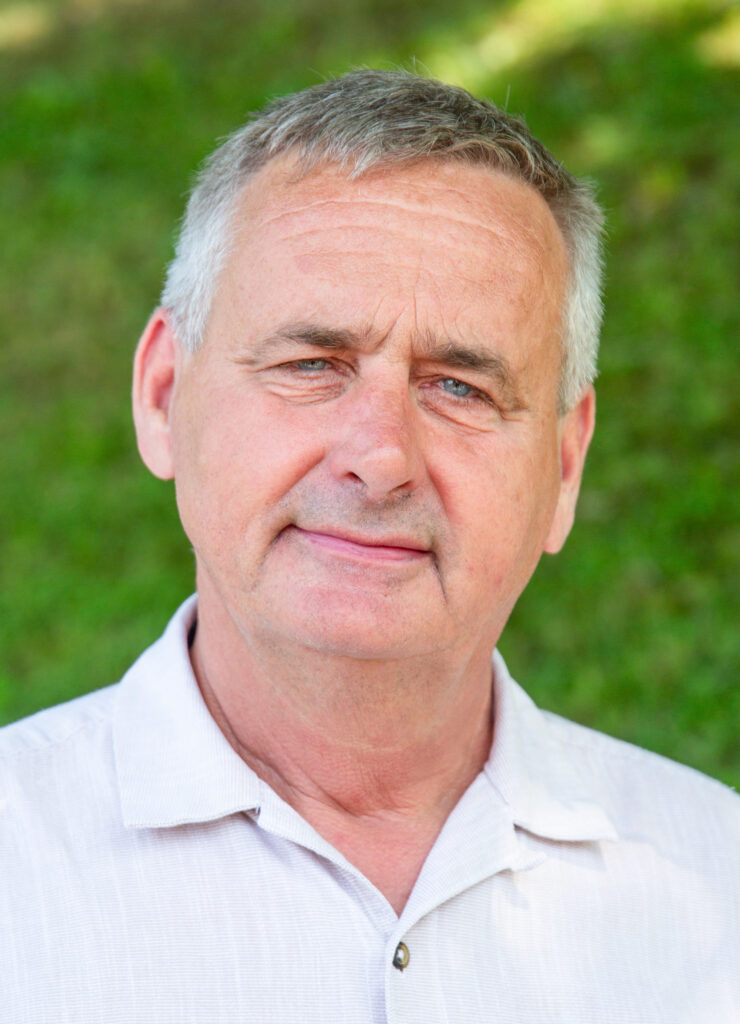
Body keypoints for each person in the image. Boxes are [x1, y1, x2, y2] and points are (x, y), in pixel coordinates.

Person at [1, 70, 738, 1023]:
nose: (381, 457)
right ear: (163, 396)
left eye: (461, 387)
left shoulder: (718, 889)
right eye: (312, 364)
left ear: (564, 466)